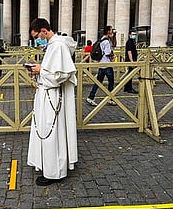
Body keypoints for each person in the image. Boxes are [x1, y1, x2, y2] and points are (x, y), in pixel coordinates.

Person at [27, 18, 78, 186]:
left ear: (44, 30)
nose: (37, 40)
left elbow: (61, 75)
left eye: (37, 36)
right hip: (46, 94)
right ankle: (47, 165)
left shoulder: (58, 45)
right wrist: (40, 69)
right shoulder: (52, 45)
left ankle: (54, 171)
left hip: (53, 96)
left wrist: (42, 70)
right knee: (46, 130)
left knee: (52, 132)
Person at [86, 25, 116, 106]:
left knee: (98, 82)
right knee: (111, 82)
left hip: (101, 64)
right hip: (107, 64)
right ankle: (110, 98)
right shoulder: (106, 41)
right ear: (108, 31)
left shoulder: (101, 39)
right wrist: (112, 55)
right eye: (111, 30)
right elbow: (107, 53)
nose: (112, 31)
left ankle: (90, 97)